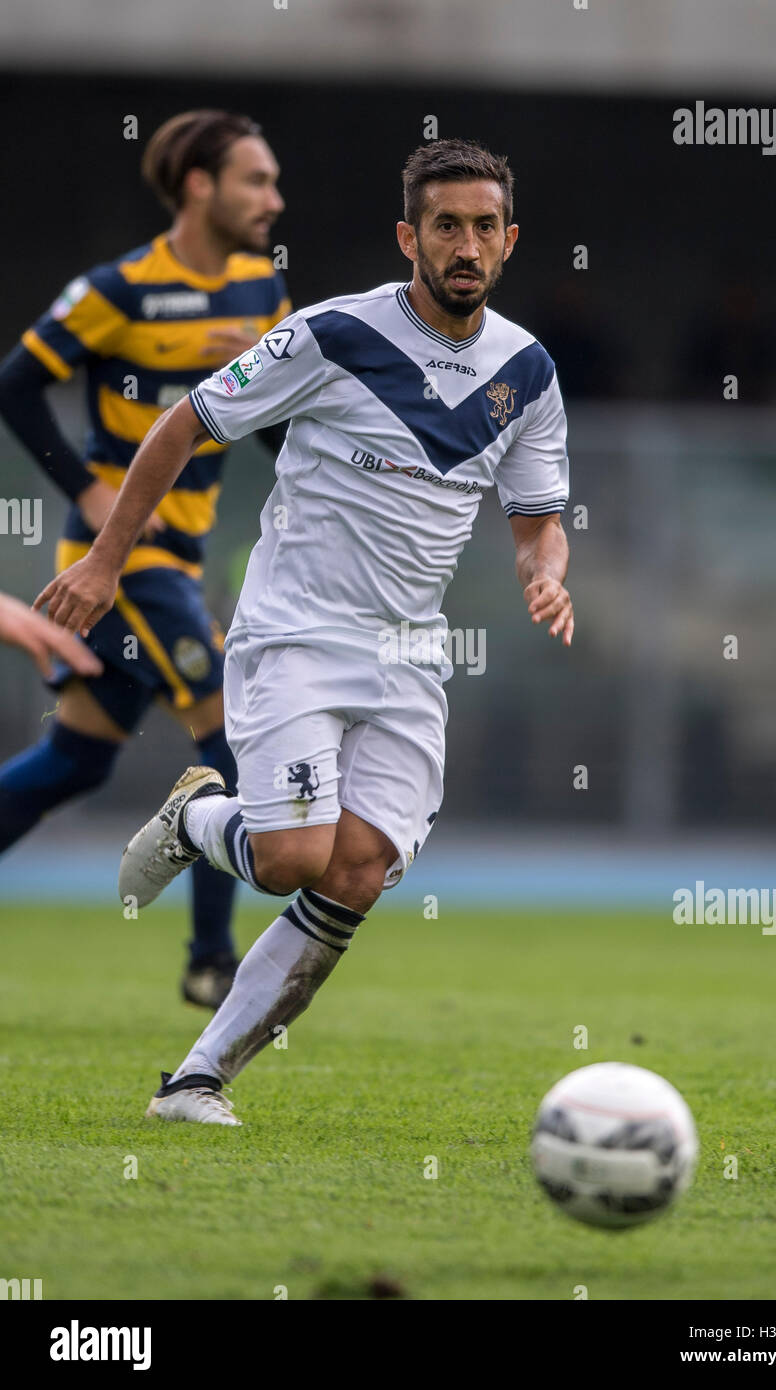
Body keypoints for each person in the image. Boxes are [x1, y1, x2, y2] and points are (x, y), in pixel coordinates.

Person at [37, 138, 573, 1126]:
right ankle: (199, 816)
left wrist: (544, 573)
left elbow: (536, 517)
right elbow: (182, 424)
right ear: (409, 236)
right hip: (296, 634)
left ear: (508, 240)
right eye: (446, 225)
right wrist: (106, 557)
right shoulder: (331, 336)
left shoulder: (526, 371)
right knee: (289, 855)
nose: (466, 243)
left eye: (484, 226)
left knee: (358, 869)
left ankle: (195, 1082)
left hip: (413, 652)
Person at [0, 109, 290, 1008]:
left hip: (184, 555)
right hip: (120, 564)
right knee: (232, 740)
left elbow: (277, 422)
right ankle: (211, 960)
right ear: (200, 187)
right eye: (256, 180)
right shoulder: (115, 290)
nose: (274, 200)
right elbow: (15, 385)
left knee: (77, 759)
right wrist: (91, 497)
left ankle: (208, 949)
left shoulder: (259, 291)